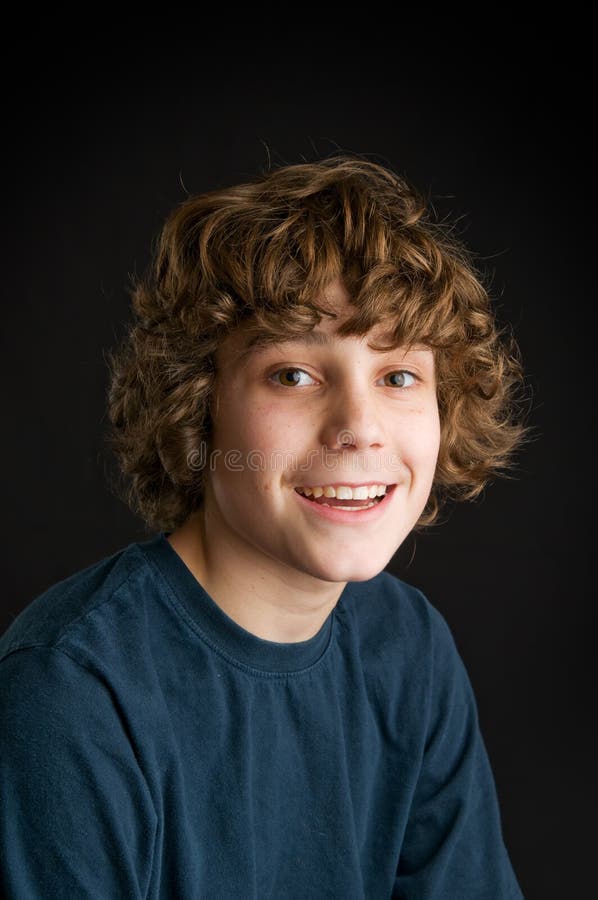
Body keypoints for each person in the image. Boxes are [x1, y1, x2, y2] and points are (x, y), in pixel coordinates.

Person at [0, 154, 526, 898]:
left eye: (398, 376)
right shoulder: (72, 695)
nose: (358, 429)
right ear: (199, 403)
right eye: (294, 374)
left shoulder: (409, 649)